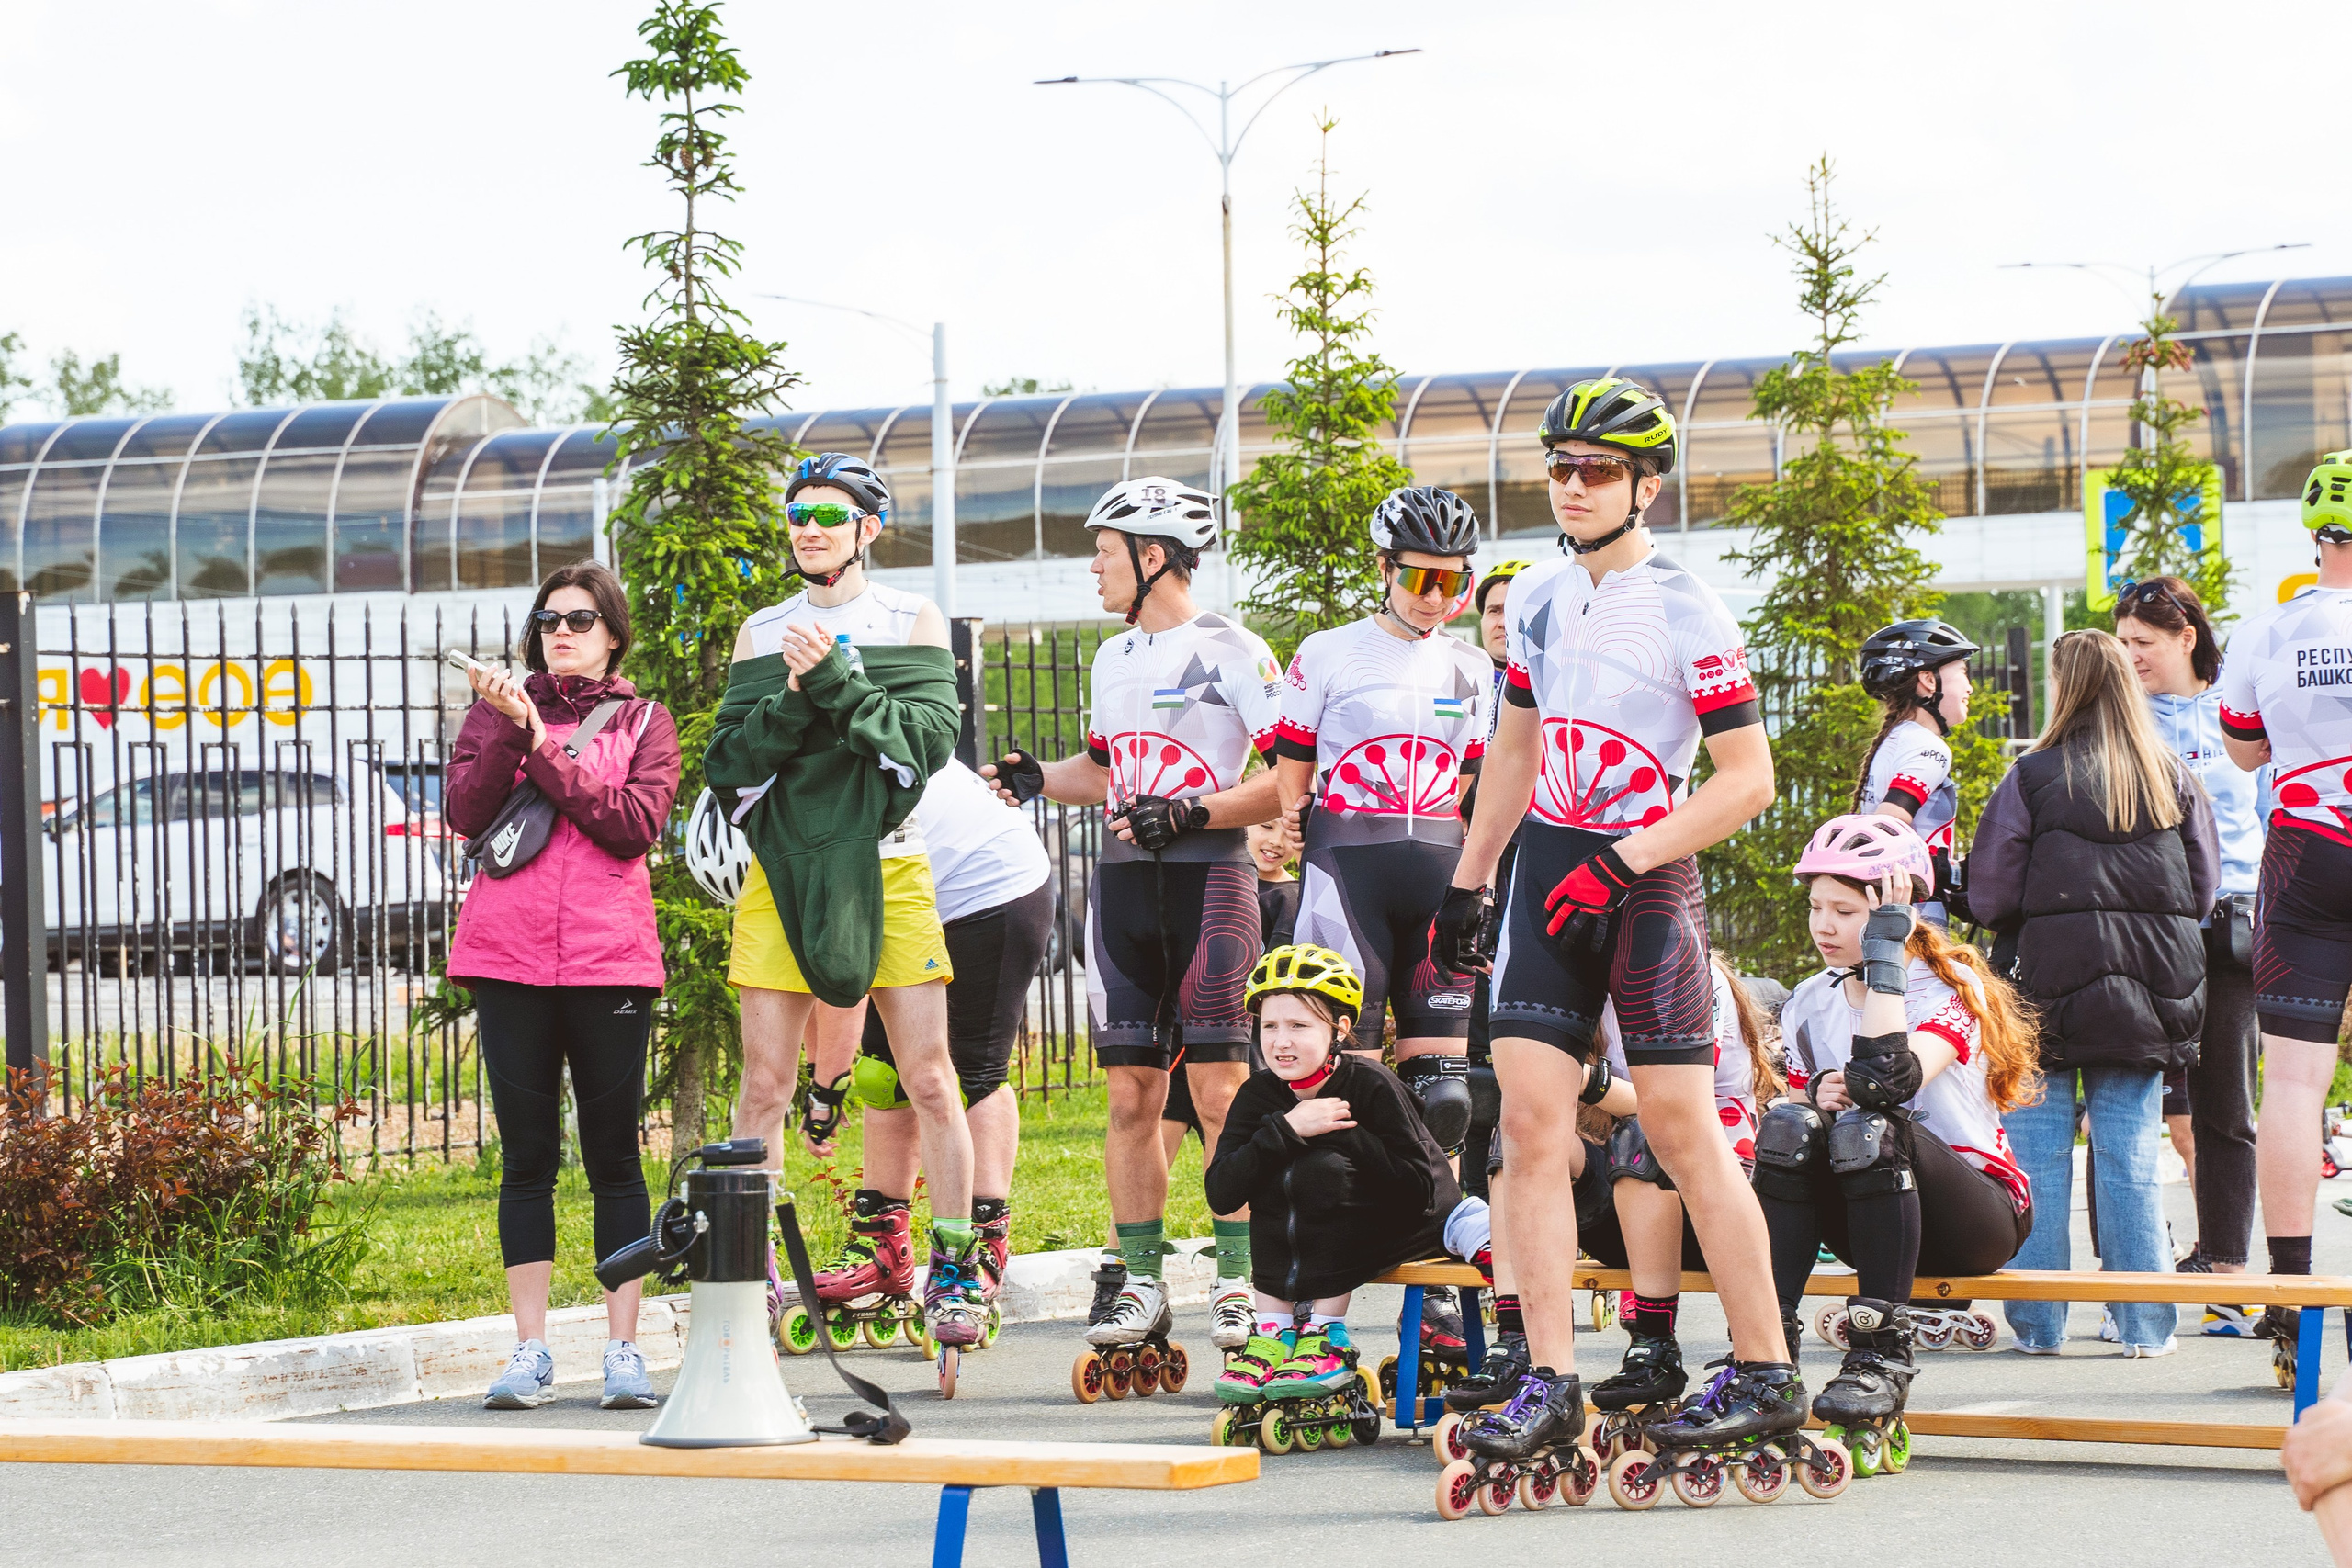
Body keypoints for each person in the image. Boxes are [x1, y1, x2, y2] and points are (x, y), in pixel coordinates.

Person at [1433, 376, 1792, 1463]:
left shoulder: (1688, 606)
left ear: (1645, 485)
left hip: (1646, 881)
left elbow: (1748, 781)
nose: (1572, 485)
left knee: (1681, 1131)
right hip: (1545, 873)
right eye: (1558, 467)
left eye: (1595, 470)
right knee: (1526, 1131)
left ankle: (1766, 1369)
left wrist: (1628, 858)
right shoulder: (1536, 597)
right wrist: (1471, 874)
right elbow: (1515, 749)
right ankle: (1547, 1379)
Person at [980, 477, 1285, 1354]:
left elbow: (1286, 776)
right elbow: (1107, 771)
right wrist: (1042, 775)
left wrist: (1193, 812)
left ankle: (1239, 1283)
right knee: (1130, 1095)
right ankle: (1143, 1283)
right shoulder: (1112, 657)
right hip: (1122, 890)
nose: (1094, 568)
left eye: (1106, 552)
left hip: (1211, 885)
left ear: (1154, 557)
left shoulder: (1232, 647)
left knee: (1222, 1093)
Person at [707, 453, 983, 1354]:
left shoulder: (911, 618)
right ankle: (751, 1272)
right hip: (781, 875)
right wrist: (792, 697)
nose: (808, 529)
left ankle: (953, 1266)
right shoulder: (761, 631)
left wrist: (837, 683)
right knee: (764, 1086)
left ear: (869, 527)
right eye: (795, 515)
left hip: (889, 868)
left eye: (828, 514)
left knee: (930, 1078)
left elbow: (930, 743)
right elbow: (731, 762)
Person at [444, 561, 680, 1412]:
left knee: (615, 1155)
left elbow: (631, 824)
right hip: (506, 960)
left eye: (581, 618)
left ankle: (624, 1348)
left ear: (614, 631)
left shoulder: (648, 719)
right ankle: (530, 1349)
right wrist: (511, 726)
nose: (562, 632)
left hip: (608, 960)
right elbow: (467, 812)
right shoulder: (495, 714)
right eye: (548, 620)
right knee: (528, 1157)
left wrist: (541, 743)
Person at [1968, 628, 2218, 1356]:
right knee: (2131, 1151)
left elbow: (1990, 894)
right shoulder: (2168, 774)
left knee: (2039, 1151)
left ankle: (2040, 1325)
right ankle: (2144, 1326)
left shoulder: (2031, 776)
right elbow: (2202, 888)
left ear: (2065, 687)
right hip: (2152, 986)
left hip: (2043, 987)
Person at [1759, 815, 2040, 1459]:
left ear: (1891, 911)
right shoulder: (1809, 1000)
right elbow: (1808, 1115)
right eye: (1816, 907)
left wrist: (1886, 954)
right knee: (1790, 1124)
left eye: (1846, 910)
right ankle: (1766, 1351)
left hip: (1977, 1214)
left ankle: (1880, 1356)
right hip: (1878, 1217)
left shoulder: (1950, 988)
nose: (1823, 926)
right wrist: (1815, 1092)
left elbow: (1889, 1077)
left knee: (1872, 1122)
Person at [800, 757, 1056, 1329]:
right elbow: (812, 969)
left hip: (992, 886)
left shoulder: (826, 799)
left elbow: (837, 981)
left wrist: (824, 1083)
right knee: (883, 1071)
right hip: (904, 888)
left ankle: (983, 1240)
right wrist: (826, 1070)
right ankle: (881, 1245)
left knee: (965, 1070)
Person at [1272, 486, 1489, 1111]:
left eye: (1454, 584)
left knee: (1444, 1098)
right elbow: (1293, 771)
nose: (1435, 598)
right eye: (1420, 577)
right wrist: (1298, 824)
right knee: (1348, 1087)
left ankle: (1433, 1212)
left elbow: (1470, 784)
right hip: (1347, 876)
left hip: (1439, 879)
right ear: (1384, 567)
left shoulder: (1472, 665)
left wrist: (1476, 881)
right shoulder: (1327, 651)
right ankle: (1350, 1210)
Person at [1203, 945, 1491, 1404]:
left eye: (1299, 1026)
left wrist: (1341, 1135)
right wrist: (1285, 1130)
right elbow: (1222, 1192)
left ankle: (1326, 1333)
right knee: (1278, 1168)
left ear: (1338, 1029)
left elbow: (1423, 1190)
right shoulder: (1259, 1095)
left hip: (1405, 1228)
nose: (1280, 1042)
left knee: (1321, 1168)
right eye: (1269, 1026)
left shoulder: (1371, 1082)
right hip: (1313, 1247)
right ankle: (1274, 1331)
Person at [2222, 452, 2352, 1362]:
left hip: (2305, 847)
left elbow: (2240, 750)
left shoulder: (2268, 631)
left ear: (2316, 534)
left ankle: (2289, 1299)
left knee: (2295, 1085)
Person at [2112, 574, 2264, 1313]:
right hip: (2150, 927)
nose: (2130, 654)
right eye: (2123, 643)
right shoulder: (2126, 719)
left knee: (2225, 1105)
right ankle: (2131, 1271)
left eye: (2143, 642)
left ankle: (2227, 1266)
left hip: (2232, 924)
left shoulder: (2238, 708)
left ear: (2186, 637)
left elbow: (2269, 811)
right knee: (2129, 1097)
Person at [1579, 952, 1781, 1421]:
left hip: (1712, 1202)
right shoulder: (1574, 976)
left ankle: (1654, 1347)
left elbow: (1673, 1108)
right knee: (1511, 1136)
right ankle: (1519, 1349)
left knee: (1643, 1131)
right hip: (1626, 1208)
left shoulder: (1690, 970)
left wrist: (1582, 1080)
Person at [1163, 819, 1297, 1161]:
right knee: (1158, 1131)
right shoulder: (1213, 883)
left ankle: (1236, 1216)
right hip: (1179, 1032)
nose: (1276, 842)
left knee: (1228, 1140)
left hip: (1242, 1045)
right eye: (1266, 826)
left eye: (1289, 834)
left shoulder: (1291, 897)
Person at [1853, 619, 1980, 923]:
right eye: (1962, 672)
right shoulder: (1929, 747)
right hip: (1917, 921)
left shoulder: (1896, 739)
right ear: (1929, 680)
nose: (1970, 686)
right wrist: (1953, 873)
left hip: (1893, 915)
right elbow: (1884, 832)